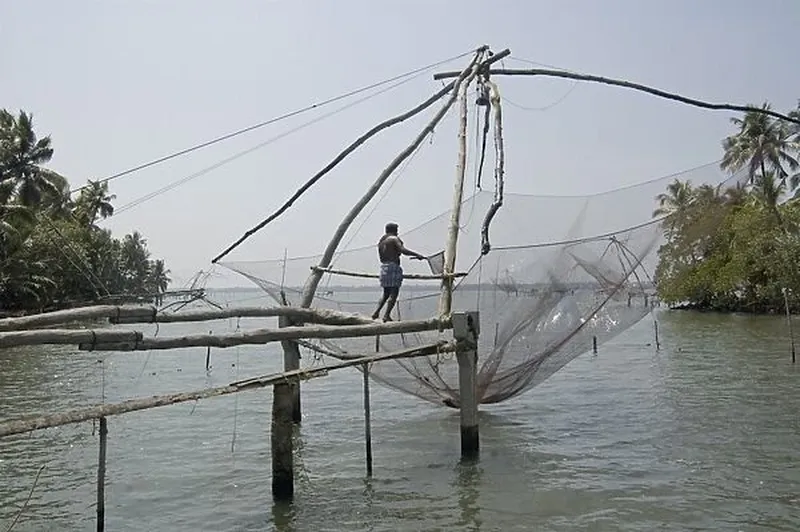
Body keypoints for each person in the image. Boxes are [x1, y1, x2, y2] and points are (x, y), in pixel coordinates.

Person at [371, 222, 425, 321]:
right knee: (394, 293)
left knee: (386, 293)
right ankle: (386, 315)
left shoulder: (381, 241)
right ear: (394, 230)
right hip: (393, 267)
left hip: (384, 268)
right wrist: (417, 254)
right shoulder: (394, 239)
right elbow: (402, 250)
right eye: (397, 230)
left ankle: (376, 312)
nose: (398, 232)